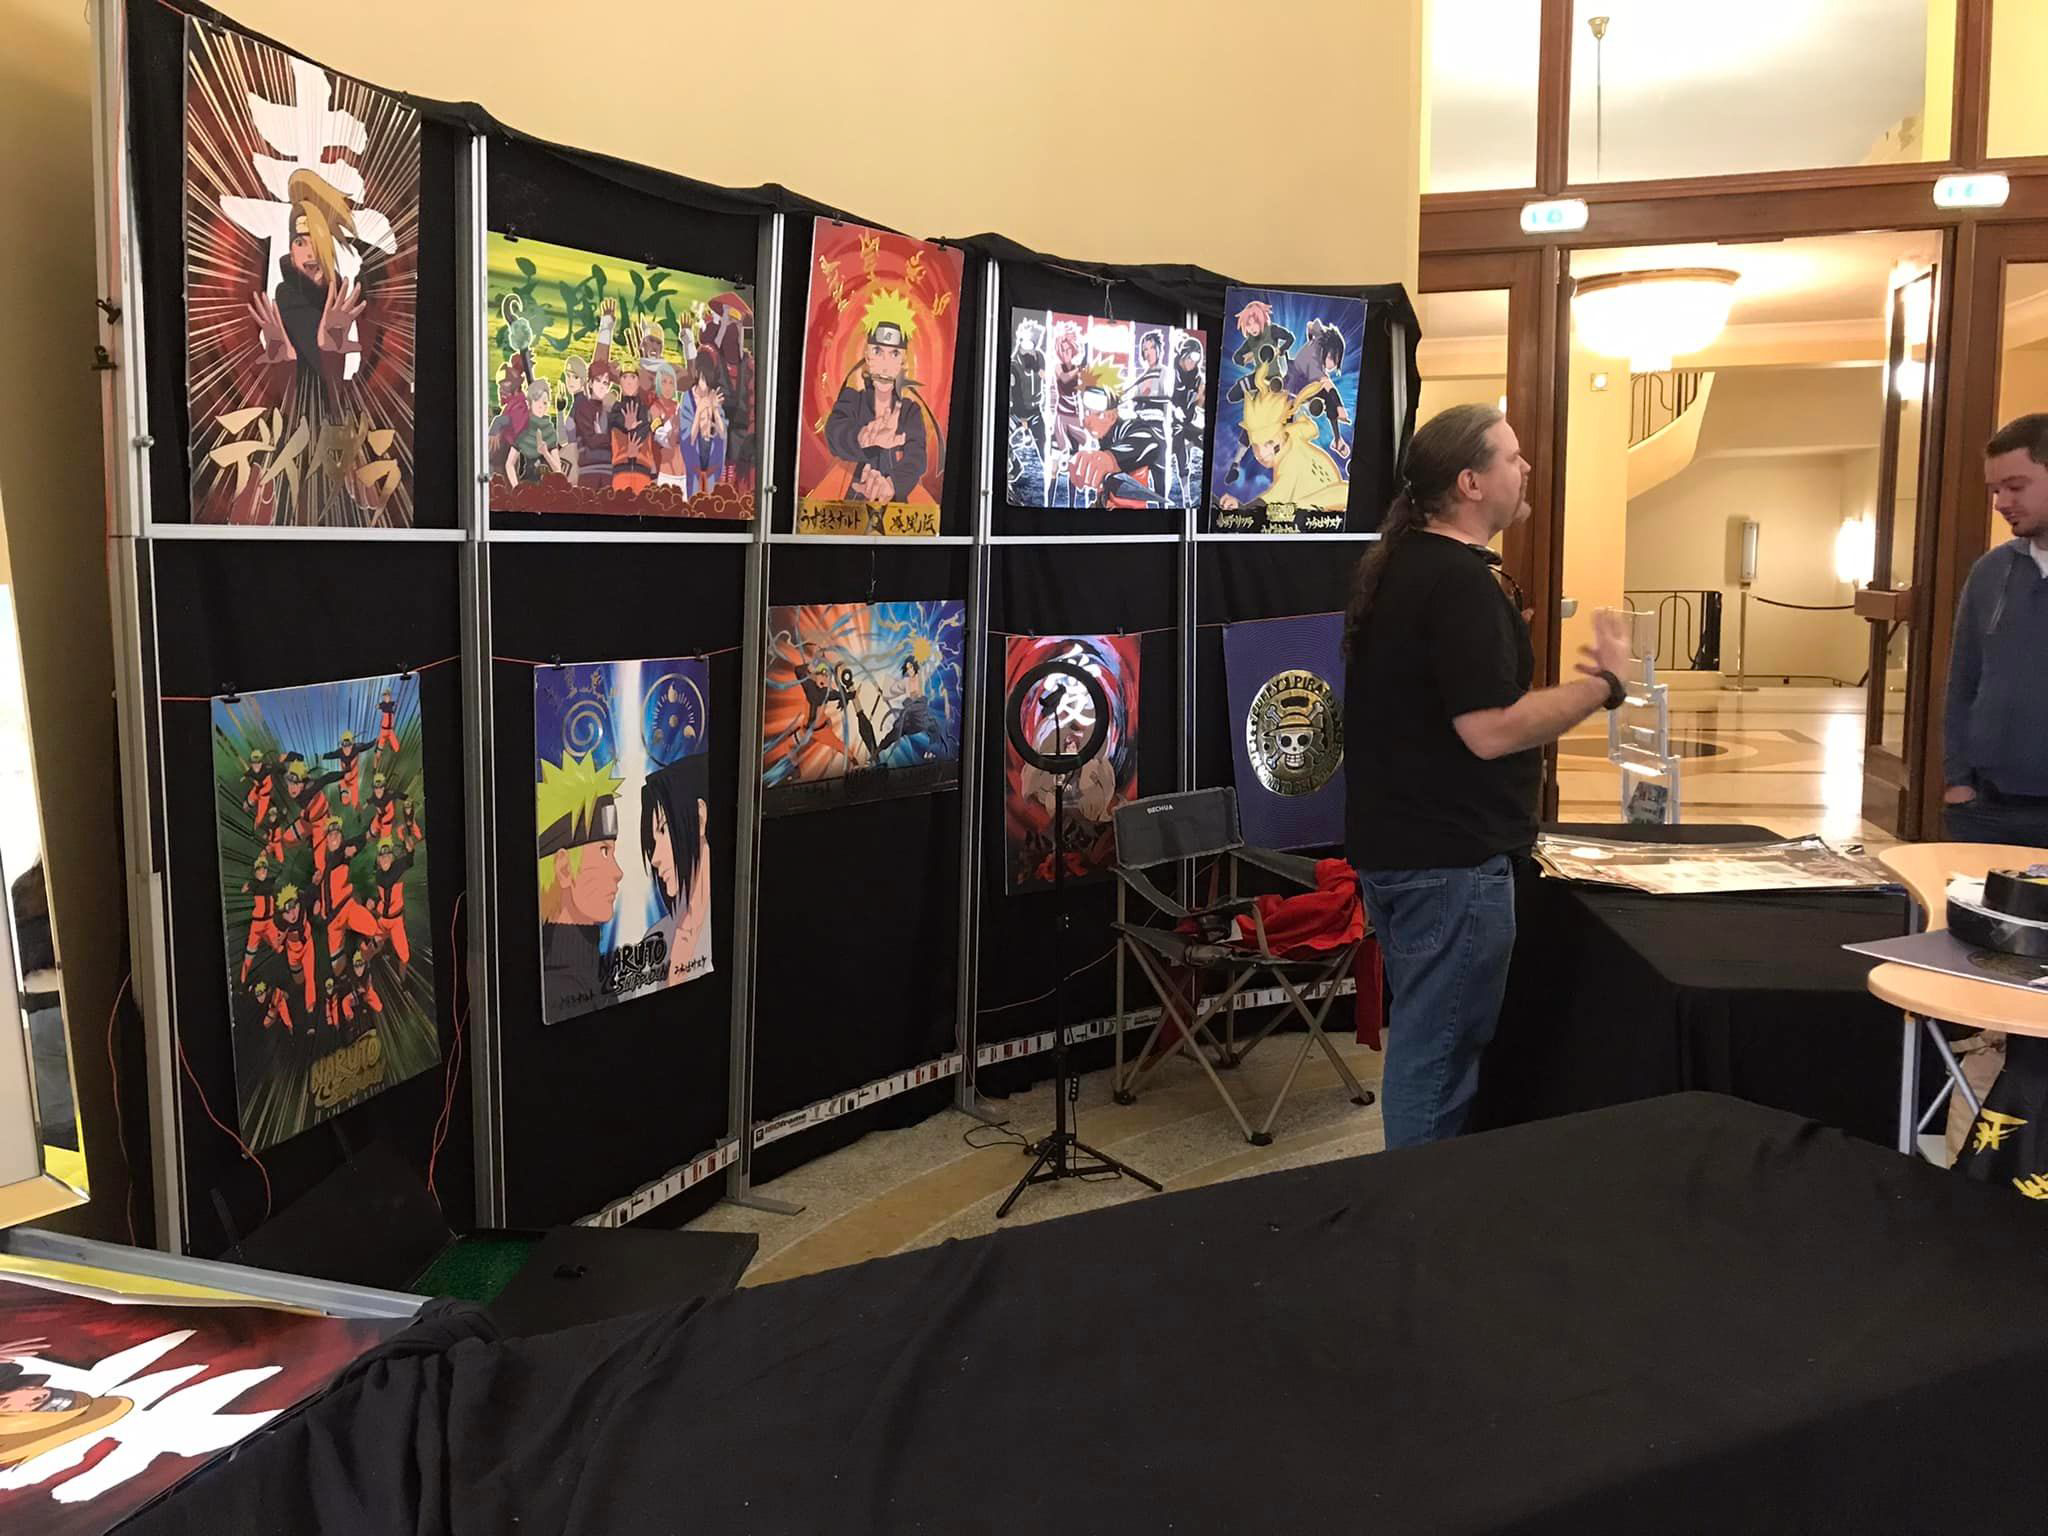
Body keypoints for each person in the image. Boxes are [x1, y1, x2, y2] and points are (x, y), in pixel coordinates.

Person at [1345, 402, 1631, 1148]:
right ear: (1470, 483)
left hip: (1410, 854)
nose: (1526, 466)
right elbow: (1490, 730)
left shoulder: (1411, 566)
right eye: (1510, 455)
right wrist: (1602, 687)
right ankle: (1421, 1206)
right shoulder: (1456, 582)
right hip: (1448, 865)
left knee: (1428, 1046)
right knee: (1438, 1061)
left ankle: (1421, 1198)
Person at [1943, 412, 2048, 848]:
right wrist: (1957, 782)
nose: (2001, 503)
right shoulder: (1991, 571)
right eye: (1995, 490)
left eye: (2015, 487)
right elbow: (1963, 680)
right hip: (1987, 807)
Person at [537, 749, 625, 1018]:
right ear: (564, 868)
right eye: (603, 851)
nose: (618, 872)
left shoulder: (592, 972)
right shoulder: (557, 988)